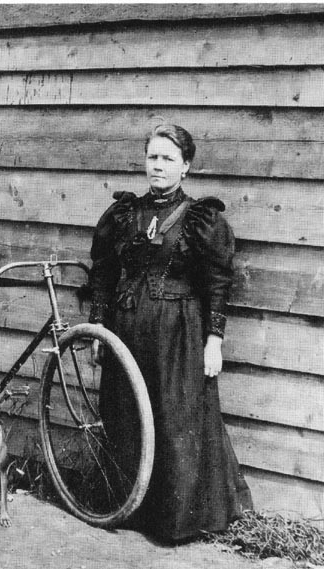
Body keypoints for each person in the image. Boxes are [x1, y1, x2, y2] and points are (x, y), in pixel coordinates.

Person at [88, 124, 253, 542]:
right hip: (126, 328)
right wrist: (97, 327)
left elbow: (218, 281)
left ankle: (174, 520)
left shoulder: (201, 219)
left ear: (186, 168)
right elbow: (104, 272)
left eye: (167, 159)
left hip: (179, 333)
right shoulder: (124, 214)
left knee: (175, 416)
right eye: (152, 157)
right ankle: (128, 508)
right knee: (126, 413)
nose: (157, 166)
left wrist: (214, 338)